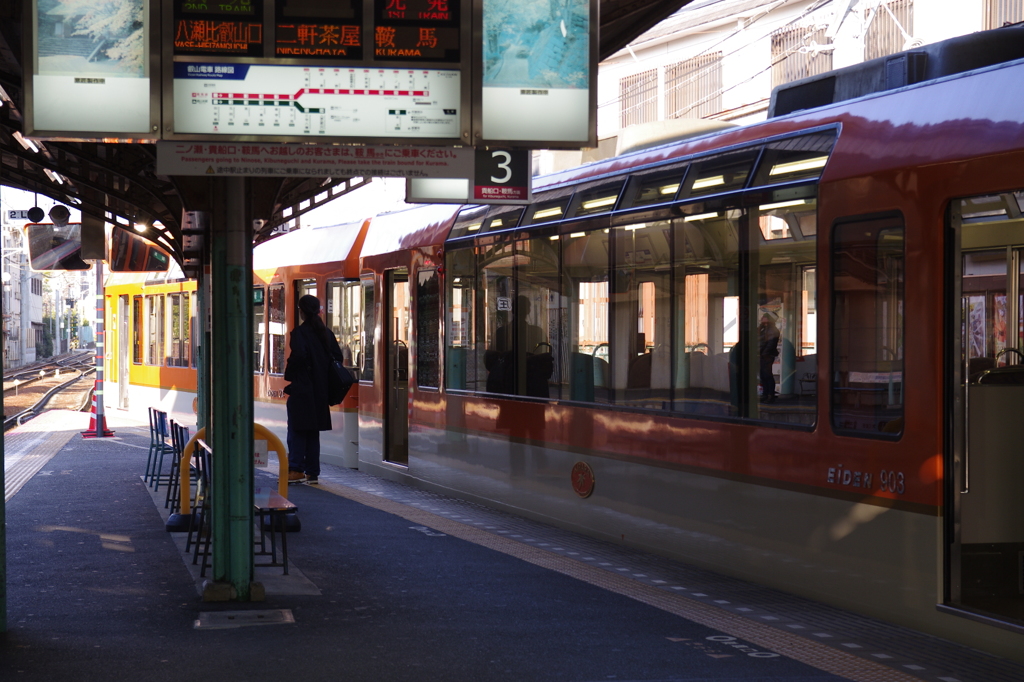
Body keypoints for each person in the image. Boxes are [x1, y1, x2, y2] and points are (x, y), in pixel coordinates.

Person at [283, 294, 344, 484]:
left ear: (301, 311)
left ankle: (295, 469)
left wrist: (290, 374)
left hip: (302, 389)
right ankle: (312, 472)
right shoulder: (326, 333)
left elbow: (298, 356)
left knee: (297, 429)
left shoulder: (300, 333)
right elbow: (338, 359)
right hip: (321, 390)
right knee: (312, 431)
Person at [758, 313, 781, 403]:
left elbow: (770, 343)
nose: (761, 318)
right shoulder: (764, 328)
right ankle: (766, 394)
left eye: (764, 317)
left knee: (767, 375)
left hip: (766, 355)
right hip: (763, 354)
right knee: (763, 375)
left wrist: (764, 353)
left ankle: (770, 395)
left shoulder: (771, 330)